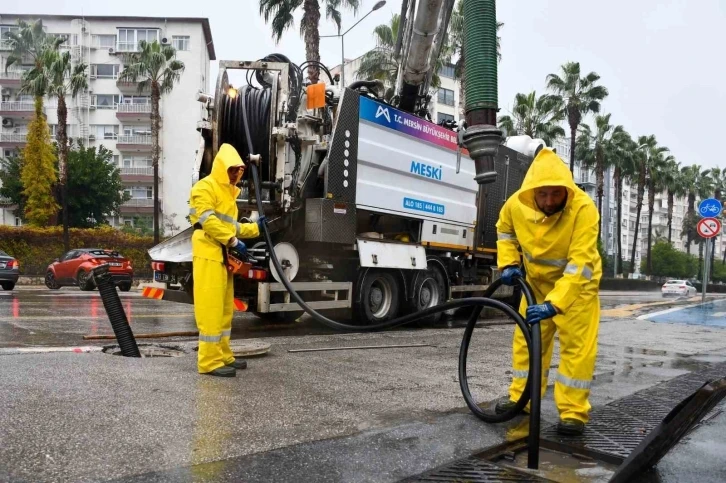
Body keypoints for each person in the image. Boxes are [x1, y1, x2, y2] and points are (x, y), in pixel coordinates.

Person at [495, 147, 602, 435]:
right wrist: (508, 263)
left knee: (576, 350)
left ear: (567, 190)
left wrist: (556, 303)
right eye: (542, 195)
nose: (549, 201)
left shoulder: (583, 209)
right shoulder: (517, 205)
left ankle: (573, 413)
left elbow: (581, 262)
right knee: (526, 342)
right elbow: (504, 230)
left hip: (577, 290)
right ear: (532, 192)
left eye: (556, 194)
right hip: (536, 285)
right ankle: (522, 399)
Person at [188, 143, 266, 377]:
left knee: (224, 311)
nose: (236, 174)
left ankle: (222, 356)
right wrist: (232, 242)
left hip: (221, 257)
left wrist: (255, 229)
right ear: (222, 168)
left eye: (238, 170)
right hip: (208, 254)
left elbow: (231, 226)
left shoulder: (227, 194)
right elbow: (209, 222)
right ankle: (209, 362)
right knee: (210, 310)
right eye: (232, 170)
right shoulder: (205, 188)